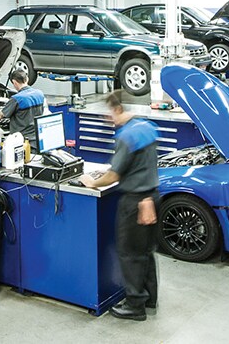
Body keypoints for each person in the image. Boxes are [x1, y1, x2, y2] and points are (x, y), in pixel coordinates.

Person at [81, 93, 159, 321]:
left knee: (130, 254)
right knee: (145, 252)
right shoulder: (146, 127)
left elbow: (114, 175)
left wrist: (92, 181)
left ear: (115, 110)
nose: (107, 120)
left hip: (135, 201)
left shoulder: (126, 136)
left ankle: (135, 306)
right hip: (153, 196)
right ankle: (150, 298)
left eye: (107, 115)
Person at [0, 70, 45, 149]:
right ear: (27, 79)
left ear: (14, 82)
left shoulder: (17, 98)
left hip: (22, 140)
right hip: (37, 137)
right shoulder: (40, 93)